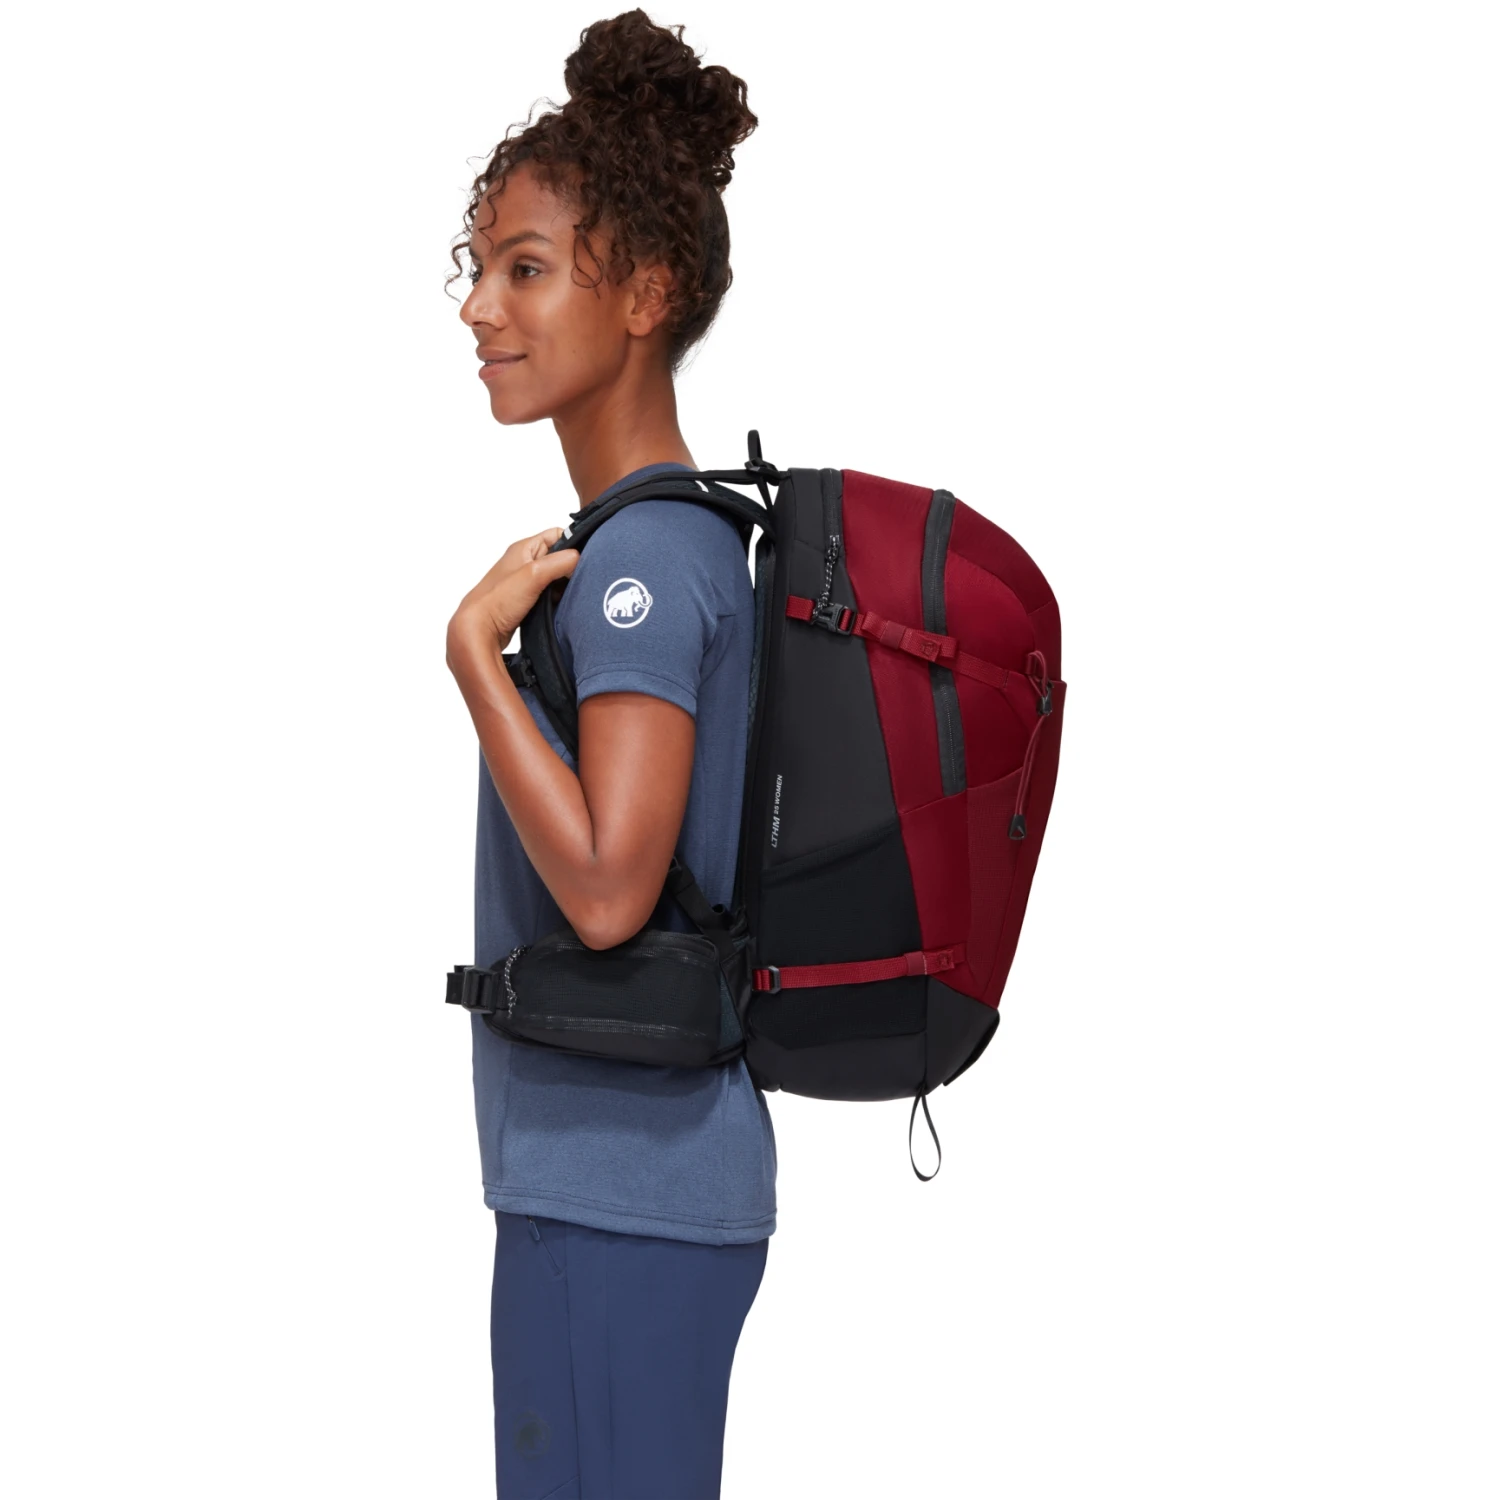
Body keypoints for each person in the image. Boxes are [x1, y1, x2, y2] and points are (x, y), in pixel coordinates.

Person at [443, 12, 777, 1497]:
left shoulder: (641, 560)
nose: (479, 307)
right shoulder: (653, 542)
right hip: (612, 1189)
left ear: (645, 292)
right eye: (476, 268)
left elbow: (603, 888)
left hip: (619, 1193)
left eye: (523, 268)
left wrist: (474, 657)